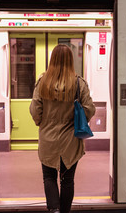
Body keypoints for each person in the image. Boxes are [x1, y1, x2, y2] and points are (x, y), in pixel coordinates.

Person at [29, 44, 96, 213]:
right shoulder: (79, 83)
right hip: (70, 141)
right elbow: (89, 109)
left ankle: (54, 210)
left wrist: (41, 123)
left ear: (52, 60)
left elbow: (35, 109)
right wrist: (78, 120)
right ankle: (64, 211)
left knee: (49, 177)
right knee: (67, 180)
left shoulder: (43, 82)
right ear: (70, 61)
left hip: (48, 139)